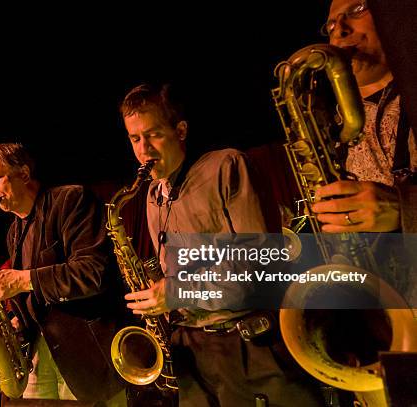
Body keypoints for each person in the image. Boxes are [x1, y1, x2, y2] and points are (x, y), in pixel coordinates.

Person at [119, 83, 325, 406]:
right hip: (193, 352)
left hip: (247, 347)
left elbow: (257, 270)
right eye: (134, 139)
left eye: (154, 134)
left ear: (181, 130)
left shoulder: (226, 166)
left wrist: (175, 292)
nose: (144, 150)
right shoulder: (151, 194)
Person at [0, 142, 127, 406]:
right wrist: (15, 321)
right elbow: (34, 295)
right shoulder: (14, 231)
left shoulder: (70, 200)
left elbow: (93, 273)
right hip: (40, 353)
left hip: (85, 356)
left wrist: (22, 279)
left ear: (23, 173)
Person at [311, 0, 417, 303]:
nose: (340, 30)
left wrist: (403, 210)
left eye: (357, 10)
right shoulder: (330, 132)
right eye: (331, 25)